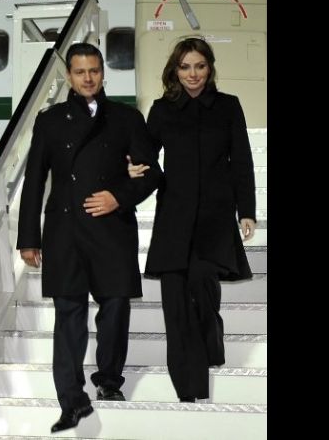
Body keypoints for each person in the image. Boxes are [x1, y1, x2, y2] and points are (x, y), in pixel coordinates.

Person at [17, 42, 161, 433]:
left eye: (94, 71)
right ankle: (71, 401)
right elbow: (34, 182)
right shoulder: (49, 121)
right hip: (64, 229)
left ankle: (109, 382)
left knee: (115, 307)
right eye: (80, 72)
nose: (87, 78)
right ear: (69, 76)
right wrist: (29, 237)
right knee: (68, 316)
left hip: (111, 229)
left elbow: (152, 174)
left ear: (103, 73)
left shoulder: (127, 118)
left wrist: (118, 196)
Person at [134, 37, 256, 403]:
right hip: (174, 219)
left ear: (210, 68)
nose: (193, 74)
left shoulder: (228, 107)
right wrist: (135, 166)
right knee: (175, 306)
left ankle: (212, 337)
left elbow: (243, 162)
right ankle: (191, 393)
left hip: (215, 219)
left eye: (199, 66)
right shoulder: (162, 109)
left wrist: (246, 210)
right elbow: (145, 153)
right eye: (185, 67)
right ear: (175, 70)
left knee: (203, 293)